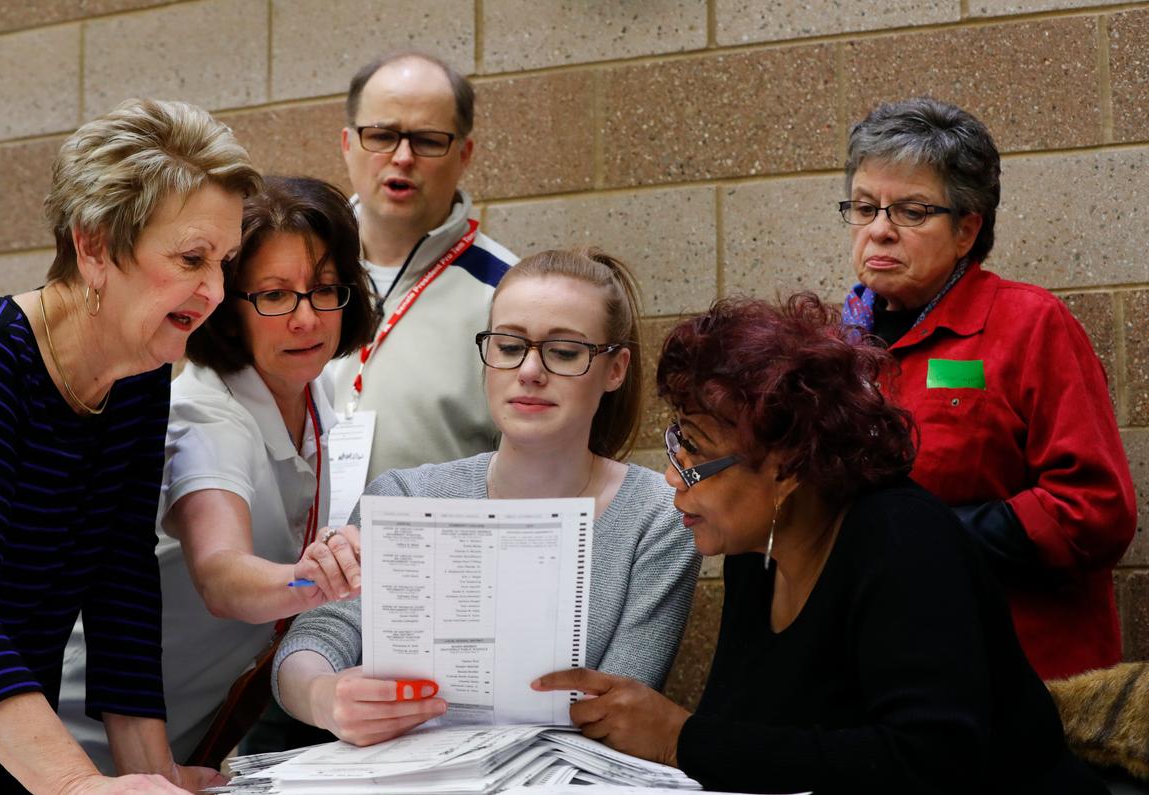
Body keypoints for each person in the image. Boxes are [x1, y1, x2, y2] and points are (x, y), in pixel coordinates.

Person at [535, 294, 1109, 794]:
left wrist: (679, 738)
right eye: (676, 442)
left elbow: (929, 763)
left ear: (788, 468)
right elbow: (747, 733)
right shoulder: (753, 551)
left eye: (696, 452)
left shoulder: (903, 542)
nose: (671, 474)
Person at [0, 99, 260, 792]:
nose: (213, 291)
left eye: (224, 262)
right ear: (92, 245)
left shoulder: (140, 375)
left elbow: (119, 580)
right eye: (190, 258)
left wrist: (156, 777)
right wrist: (75, 784)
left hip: (1, 758)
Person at [273, 248, 701, 746]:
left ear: (615, 369)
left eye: (564, 352)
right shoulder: (406, 496)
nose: (530, 371)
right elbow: (312, 642)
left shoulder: (658, 516)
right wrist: (325, 696)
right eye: (509, 346)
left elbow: (620, 707)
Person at [59, 177, 374, 769]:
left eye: (325, 290)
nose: (306, 319)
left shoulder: (317, 392)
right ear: (228, 308)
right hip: (91, 747)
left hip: (185, 742)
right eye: (275, 296)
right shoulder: (208, 417)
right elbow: (222, 578)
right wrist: (315, 581)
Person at [835, 97, 1135, 680]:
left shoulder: (1030, 325)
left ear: (967, 229)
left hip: (1017, 680)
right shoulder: (833, 347)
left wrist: (928, 541)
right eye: (864, 207)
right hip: (880, 676)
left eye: (911, 212)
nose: (879, 230)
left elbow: (1095, 510)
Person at [329, 50, 519, 482]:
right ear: (347, 144)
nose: (402, 157)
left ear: (465, 154)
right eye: (381, 135)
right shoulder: (292, 272)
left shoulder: (508, 295)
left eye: (428, 140)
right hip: (289, 551)